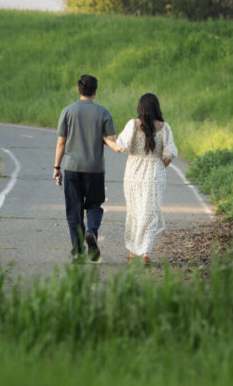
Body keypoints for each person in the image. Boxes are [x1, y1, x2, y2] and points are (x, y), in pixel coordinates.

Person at [53, 74, 118, 263]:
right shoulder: (103, 112)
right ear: (95, 92)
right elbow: (113, 141)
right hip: (95, 168)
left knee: (74, 209)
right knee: (94, 205)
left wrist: (57, 167)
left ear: (78, 90)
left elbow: (61, 143)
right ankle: (91, 231)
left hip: (72, 168)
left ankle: (78, 251)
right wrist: (100, 137)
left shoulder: (67, 111)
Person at [115, 93, 178, 264]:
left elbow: (121, 146)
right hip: (155, 175)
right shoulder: (165, 128)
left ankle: (132, 251)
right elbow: (170, 154)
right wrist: (159, 167)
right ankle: (145, 252)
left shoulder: (133, 125)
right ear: (157, 108)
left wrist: (106, 139)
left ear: (140, 108)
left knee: (135, 212)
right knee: (150, 214)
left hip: (133, 175)